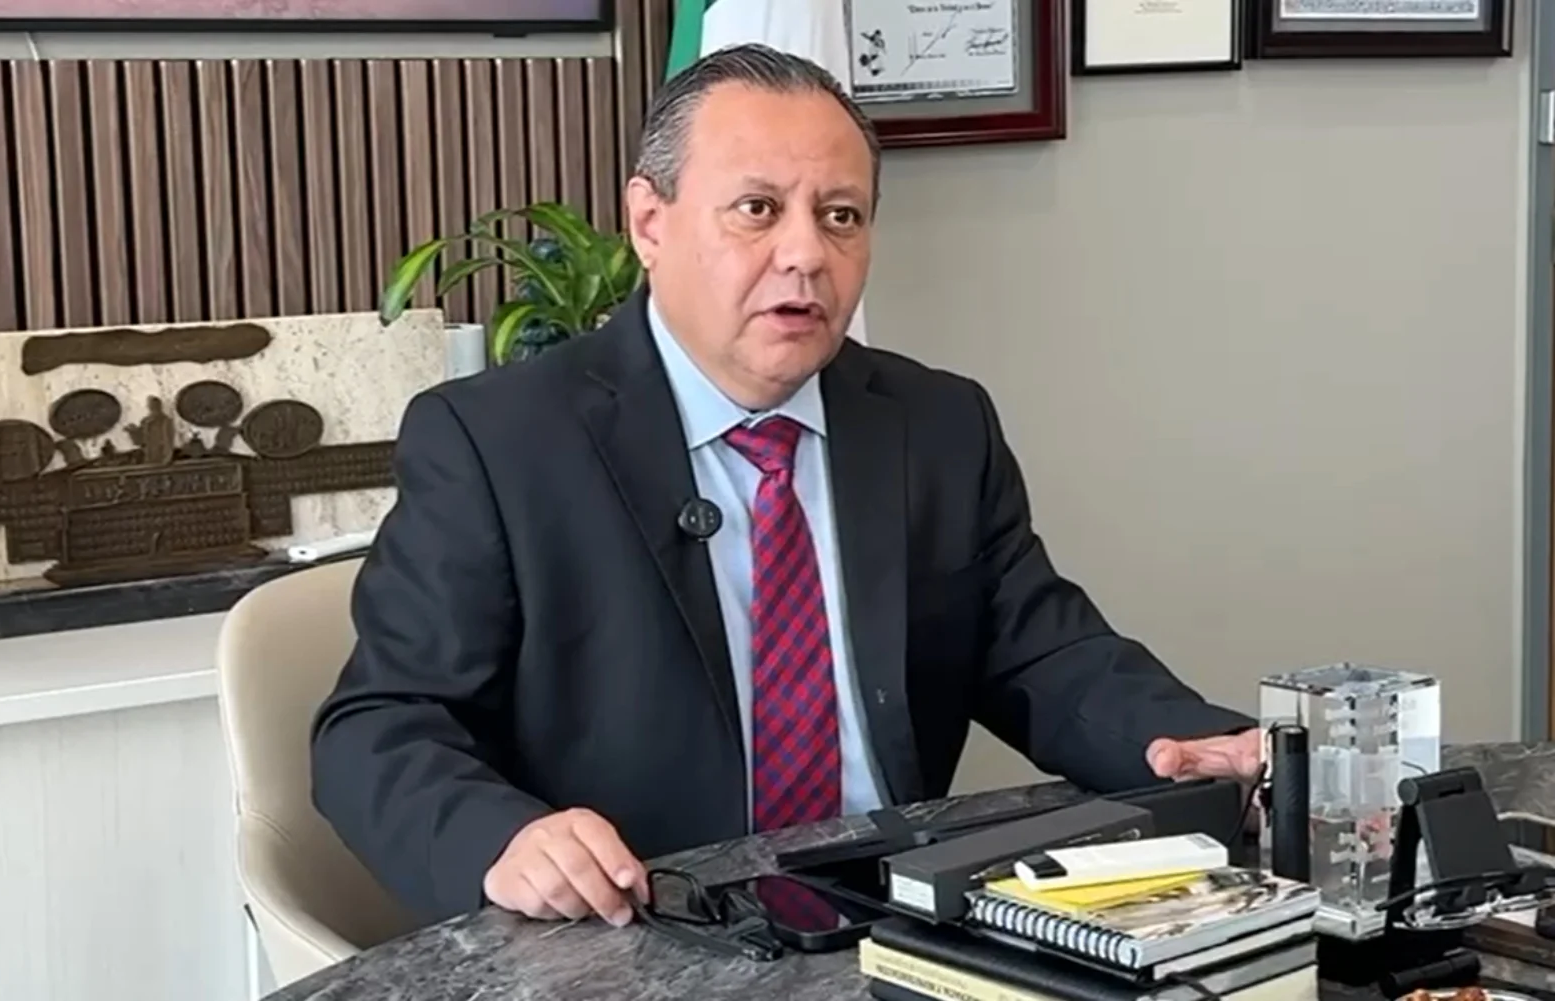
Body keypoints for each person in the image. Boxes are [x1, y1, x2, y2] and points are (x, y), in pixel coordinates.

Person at [309, 43, 1260, 934]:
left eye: (841, 216)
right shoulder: (499, 442)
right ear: (649, 222)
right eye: (758, 209)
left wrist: (1199, 743)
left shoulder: (934, 423)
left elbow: (1046, 655)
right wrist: (503, 840)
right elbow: (380, 726)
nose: (806, 253)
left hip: (893, 925)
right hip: (641, 931)